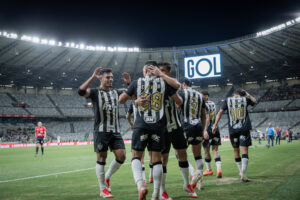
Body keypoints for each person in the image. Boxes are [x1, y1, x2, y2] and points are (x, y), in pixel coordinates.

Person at [119, 61, 183, 200]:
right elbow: (178, 91)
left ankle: (141, 186)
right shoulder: (164, 83)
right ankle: (155, 195)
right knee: (157, 160)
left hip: (141, 125)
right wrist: (161, 75)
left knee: (136, 155)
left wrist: (135, 101)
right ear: (154, 71)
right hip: (159, 126)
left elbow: (121, 100)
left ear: (144, 71)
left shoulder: (136, 83)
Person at [78, 67, 128, 198]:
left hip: (115, 130)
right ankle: (102, 189)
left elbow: (133, 93)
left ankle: (107, 177)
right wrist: (92, 77)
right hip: (101, 131)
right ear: (102, 78)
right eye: (107, 77)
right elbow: (81, 91)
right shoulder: (95, 92)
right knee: (101, 158)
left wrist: (129, 83)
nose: (110, 79)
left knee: (122, 156)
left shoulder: (116, 93)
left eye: (111, 77)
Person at [157, 62, 197, 199]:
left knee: (182, 154)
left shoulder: (171, 83)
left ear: (168, 72)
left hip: (175, 125)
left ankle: (187, 184)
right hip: (161, 127)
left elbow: (179, 88)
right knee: (163, 159)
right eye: (158, 70)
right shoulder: (153, 84)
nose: (159, 72)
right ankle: (162, 190)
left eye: (163, 70)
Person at [212, 89, 257, 182]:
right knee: (244, 150)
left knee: (236, 150)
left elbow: (220, 112)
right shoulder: (245, 99)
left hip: (233, 129)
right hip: (244, 127)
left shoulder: (227, 100)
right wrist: (248, 94)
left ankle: (240, 171)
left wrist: (215, 125)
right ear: (242, 94)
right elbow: (255, 102)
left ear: (234, 94)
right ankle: (244, 174)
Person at [178, 78, 207, 190]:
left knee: (179, 153)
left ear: (184, 84)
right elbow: (204, 115)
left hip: (185, 126)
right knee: (198, 155)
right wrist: (203, 130)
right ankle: (199, 181)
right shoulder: (200, 96)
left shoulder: (181, 93)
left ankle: (193, 174)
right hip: (198, 126)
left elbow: (176, 106)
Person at [201, 91, 222, 178]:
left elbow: (207, 117)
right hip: (215, 128)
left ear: (206, 96)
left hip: (208, 129)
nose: (202, 97)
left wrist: (204, 130)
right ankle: (219, 169)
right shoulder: (213, 103)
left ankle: (209, 170)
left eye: (202, 96)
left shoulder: (204, 104)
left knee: (206, 151)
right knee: (215, 150)